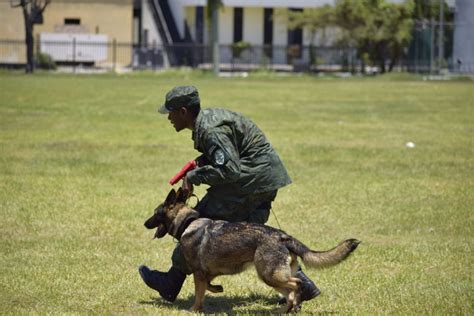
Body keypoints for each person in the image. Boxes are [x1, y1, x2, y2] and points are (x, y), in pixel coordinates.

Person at [138, 85, 320, 304]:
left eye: (171, 112)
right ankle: (303, 286)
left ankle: (171, 282)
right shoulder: (207, 121)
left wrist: (194, 177)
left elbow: (230, 169)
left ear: (184, 112)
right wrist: (200, 163)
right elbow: (228, 155)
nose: (169, 117)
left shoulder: (210, 129)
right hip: (263, 178)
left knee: (194, 226)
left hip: (250, 179)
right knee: (250, 234)